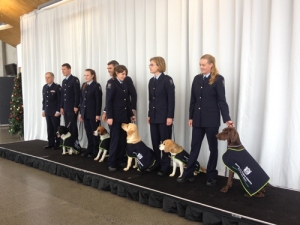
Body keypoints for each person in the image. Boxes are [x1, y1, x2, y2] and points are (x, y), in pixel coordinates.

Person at [177, 54, 234, 186]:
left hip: (211, 120)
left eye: (203, 64)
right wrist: (191, 116)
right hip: (197, 119)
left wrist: (227, 119)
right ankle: (189, 173)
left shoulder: (218, 79)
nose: (201, 67)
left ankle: (211, 175)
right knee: (194, 146)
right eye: (200, 65)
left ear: (211, 65)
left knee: (213, 148)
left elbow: (222, 101)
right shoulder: (197, 79)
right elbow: (193, 100)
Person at [148, 56, 175, 176]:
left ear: (159, 65)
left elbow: (171, 100)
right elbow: (151, 100)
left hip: (164, 117)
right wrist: (149, 114)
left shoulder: (167, 80)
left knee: (165, 143)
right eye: (150, 64)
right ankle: (157, 163)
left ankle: (165, 165)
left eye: (152, 64)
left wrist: (170, 116)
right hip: (154, 116)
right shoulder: (151, 81)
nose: (150, 66)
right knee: (155, 141)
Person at [105, 65, 136, 171]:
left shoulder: (124, 84)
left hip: (124, 116)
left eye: (125, 74)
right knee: (115, 139)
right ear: (116, 73)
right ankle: (112, 162)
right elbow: (108, 101)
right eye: (122, 74)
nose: (124, 76)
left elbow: (127, 100)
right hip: (115, 117)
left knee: (123, 139)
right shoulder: (112, 83)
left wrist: (131, 114)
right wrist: (109, 116)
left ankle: (120, 159)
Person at [78, 69, 102, 157]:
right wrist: (81, 113)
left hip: (93, 113)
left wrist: (97, 114)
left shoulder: (96, 86)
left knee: (94, 132)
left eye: (87, 75)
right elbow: (82, 100)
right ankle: (90, 148)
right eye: (85, 75)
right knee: (88, 132)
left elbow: (98, 101)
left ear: (92, 76)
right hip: (85, 113)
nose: (86, 77)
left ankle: (96, 150)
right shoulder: (84, 85)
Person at [60, 63, 81, 148]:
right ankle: (68, 143)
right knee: (67, 126)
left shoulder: (74, 80)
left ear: (69, 69)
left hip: (72, 107)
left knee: (72, 126)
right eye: (62, 69)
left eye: (64, 69)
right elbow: (63, 95)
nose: (63, 71)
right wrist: (61, 106)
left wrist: (76, 105)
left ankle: (75, 143)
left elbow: (77, 94)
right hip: (66, 107)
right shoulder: (64, 81)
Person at [42, 72, 61, 149]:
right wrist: (43, 110)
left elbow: (60, 100)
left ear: (53, 78)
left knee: (56, 128)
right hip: (48, 111)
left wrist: (58, 111)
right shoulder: (45, 87)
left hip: (54, 111)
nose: (47, 79)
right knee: (49, 128)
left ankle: (58, 143)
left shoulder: (57, 87)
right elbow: (44, 100)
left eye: (48, 77)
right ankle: (51, 143)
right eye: (46, 77)